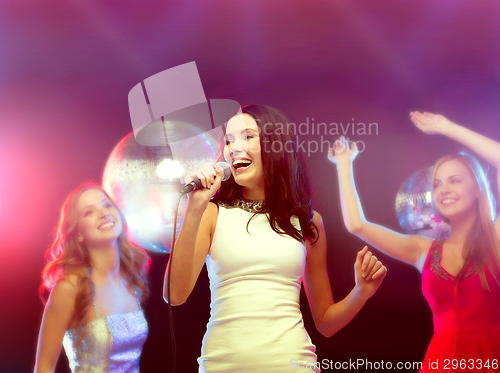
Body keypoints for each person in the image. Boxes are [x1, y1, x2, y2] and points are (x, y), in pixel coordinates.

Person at [164, 104, 387, 372]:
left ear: (275, 145)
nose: (234, 148)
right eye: (229, 140)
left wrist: (361, 292)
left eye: (248, 137)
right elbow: (174, 295)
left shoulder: (308, 222)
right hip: (222, 366)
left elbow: (326, 323)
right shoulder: (211, 213)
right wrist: (195, 206)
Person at [329, 111, 500, 372]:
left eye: (455, 180)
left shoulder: (496, 238)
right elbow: (357, 225)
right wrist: (344, 163)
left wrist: (447, 126)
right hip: (440, 362)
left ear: (478, 188)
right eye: (438, 183)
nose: (444, 189)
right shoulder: (423, 249)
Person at [34, 182, 150, 373]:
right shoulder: (70, 287)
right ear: (78, 233)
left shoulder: (131, 278)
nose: (104, 213)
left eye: (107, 205)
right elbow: (44, 367)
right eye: (89, 212)